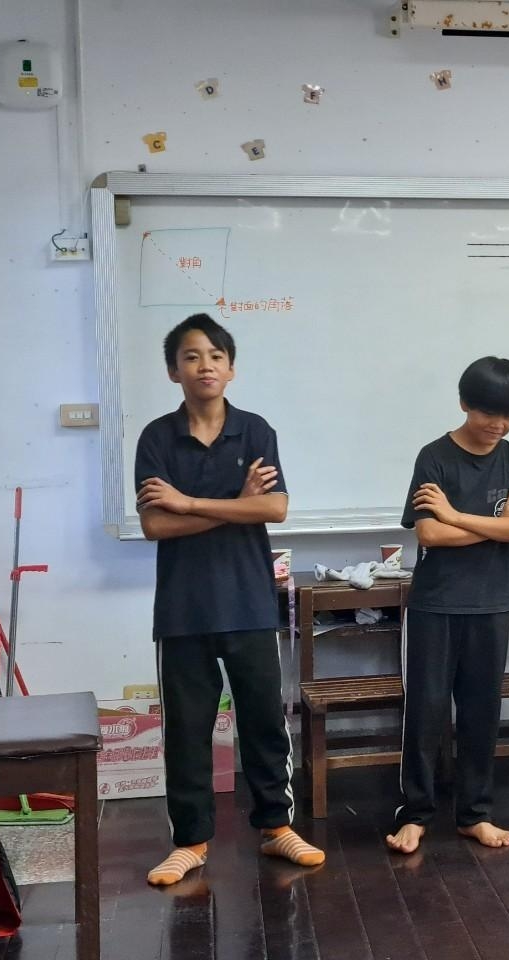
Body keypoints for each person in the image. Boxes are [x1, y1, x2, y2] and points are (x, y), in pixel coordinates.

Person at [135, 314, 324, 886]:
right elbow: (154, 525)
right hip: (183, 610)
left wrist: (190, 503)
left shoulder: (255, 430)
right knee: (187, 731)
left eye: (216, 356)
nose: (205, 366)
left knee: (264, 721)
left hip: (249, 602)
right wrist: (234, 503)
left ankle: (276, 828)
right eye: (192, 356)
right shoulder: (156, 438)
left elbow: (273, 509)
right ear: (174, 371)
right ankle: (190, 842)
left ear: (231, 368)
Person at [387, 357, 509, 854]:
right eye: (488, 413)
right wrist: (492, 526)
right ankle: (415, 814)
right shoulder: (434, 457)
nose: (498, 424)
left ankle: (474, 814)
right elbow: (429, 534)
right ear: (463, 404)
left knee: (481, 713)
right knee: (426, 710)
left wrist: (455, 515)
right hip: (436, 604)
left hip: (493, 603)